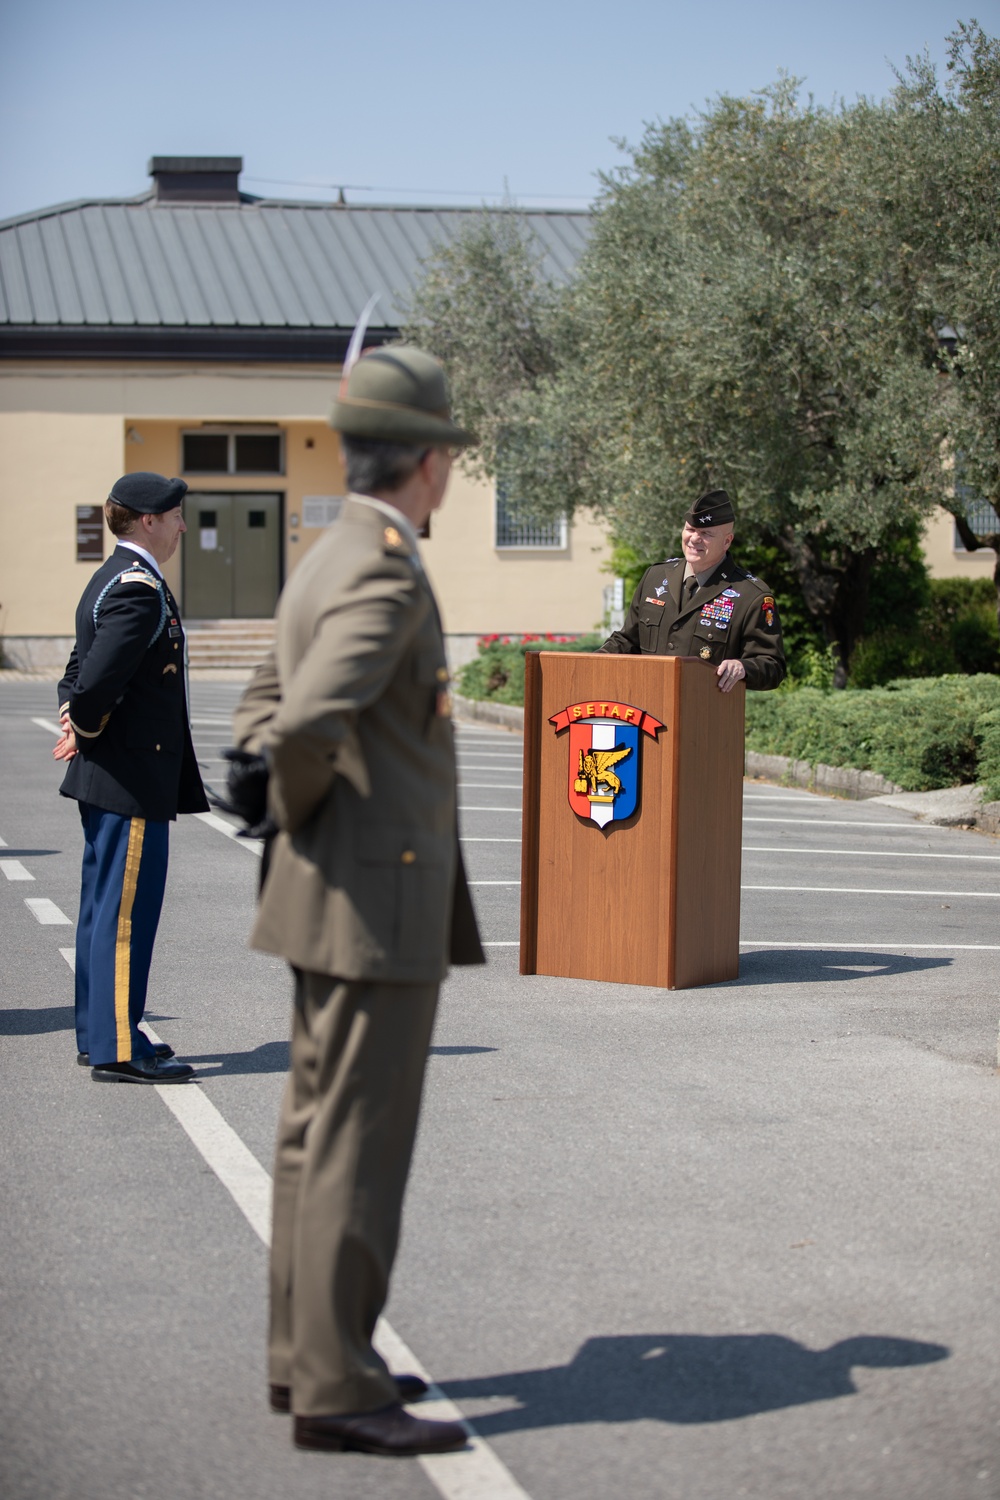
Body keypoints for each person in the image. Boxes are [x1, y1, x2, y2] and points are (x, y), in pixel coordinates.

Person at [230, 345, 485, 1458]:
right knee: (356, 1148)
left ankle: (303, 1359)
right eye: (449, 461)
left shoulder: (327, 548)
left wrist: (282, 803)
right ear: (425, 462)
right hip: (377, 900)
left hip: (327, 893)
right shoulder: (386, 566)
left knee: (308, 1135)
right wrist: (298, 801)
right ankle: (338, 1382)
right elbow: (303, 726)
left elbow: (262, 706)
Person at [54, 472, 207, 1083]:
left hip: (113, 776)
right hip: (130, 778)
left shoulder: (113, 576)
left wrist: (75, 719)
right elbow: (93, 683)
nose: (182, 526)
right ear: (148, 520)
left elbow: (77, 673)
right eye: (175, 515)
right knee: (123, 916)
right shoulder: (138, 588)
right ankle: (118, 1047)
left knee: (102, 909)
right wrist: (83, 723)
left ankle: (104, 1031)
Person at [598, 489, 786, 690]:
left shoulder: (750, 595)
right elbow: (627, 641)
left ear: (727, 541)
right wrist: (591, 662)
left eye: (706, 534)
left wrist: (743, 667)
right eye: (690, 529)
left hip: (703, 713)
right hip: (647, 709)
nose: (694, 539)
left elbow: (773, 666)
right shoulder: (655, 577)